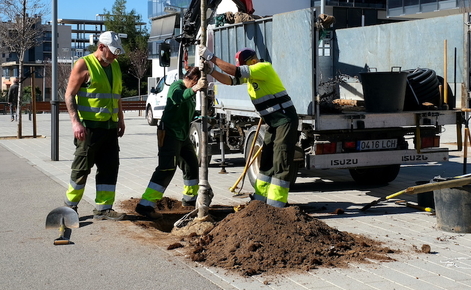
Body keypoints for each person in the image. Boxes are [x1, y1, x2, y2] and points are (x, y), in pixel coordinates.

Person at [198, 45, 299, 208]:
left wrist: (211, 57)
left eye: (243, 66)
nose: (242, 69)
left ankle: (277, 204)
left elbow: (234, 72)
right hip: (273, 123)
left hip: (285, 120)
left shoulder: (262, 67)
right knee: (266, 160)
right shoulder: (253, 76)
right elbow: (229, 80)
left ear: (252, 61)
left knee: (281, 160)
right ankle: (259, 201)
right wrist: (211, 72)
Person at [63, 31, 126, 221]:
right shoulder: (84, 64)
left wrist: (121, 119)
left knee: (109, 166)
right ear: (101, 47)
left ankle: (104, 209)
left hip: (109, 128)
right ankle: (70, 207)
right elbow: (69, 95)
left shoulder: (115, 66)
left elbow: (116, 96)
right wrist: (75, 123)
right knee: (81, 168)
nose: (115, 56)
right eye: (113, 52)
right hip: (88, 129)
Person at [135, 67, 205, 220]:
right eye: (197, 83)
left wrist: (201, 116)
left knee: (191, 165)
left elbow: (188, 111)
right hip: (169, 134)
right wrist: (194, 89)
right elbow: (178, 98)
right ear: (193, 80)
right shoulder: (177, 86)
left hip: (182, 136)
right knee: (167, 168)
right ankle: (146, 204)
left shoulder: (191, 94)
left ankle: (189, 200)